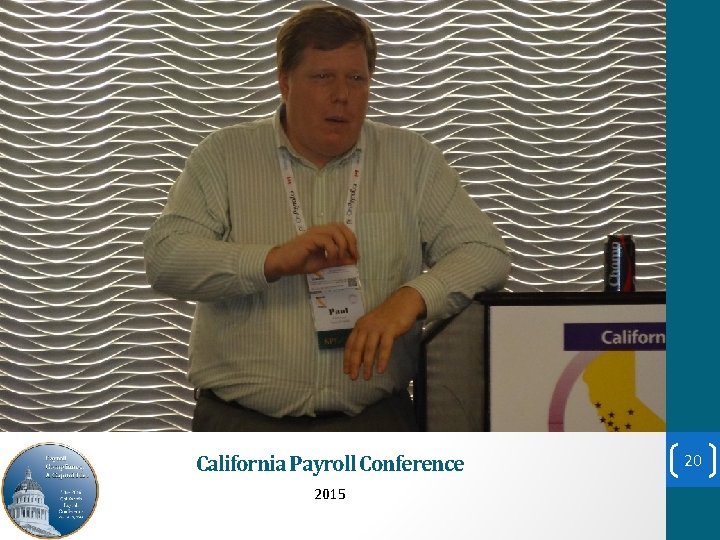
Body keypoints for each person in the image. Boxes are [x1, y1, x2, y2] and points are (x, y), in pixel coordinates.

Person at [143, 4, 510, 431]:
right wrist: (273, 261)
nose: (342, 95)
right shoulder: (224, 156)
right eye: (323, 77)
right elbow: (165, 259)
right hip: (241, 424)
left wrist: (411, 299)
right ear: (284, 82)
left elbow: (485, 253)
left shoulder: (412, 160)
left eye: (356, 78)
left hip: (374, 423)